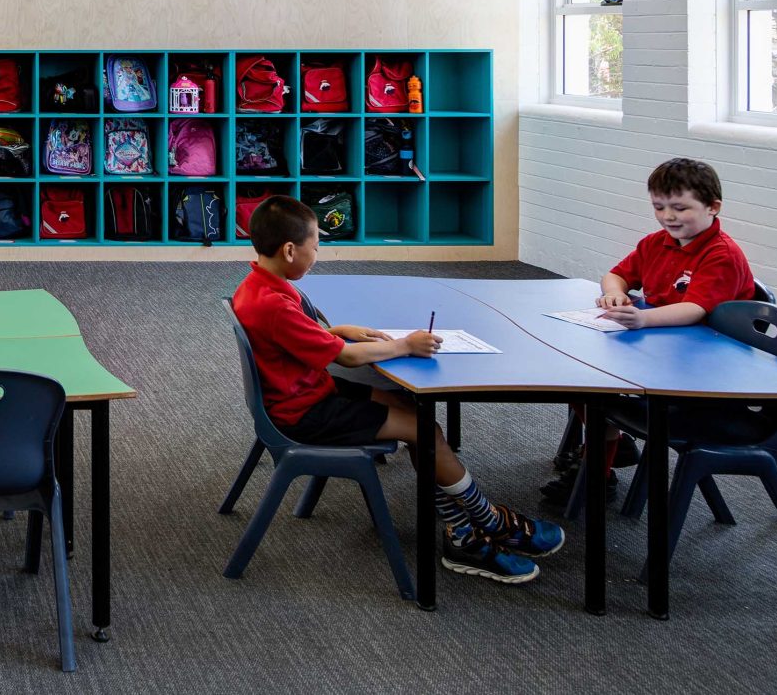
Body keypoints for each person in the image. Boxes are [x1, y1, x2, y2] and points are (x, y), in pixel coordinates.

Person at [233, 195, 563, 584]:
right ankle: (485, 521)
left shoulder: (259, 286)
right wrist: (406, 344)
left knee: (412, 408)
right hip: (305, 413)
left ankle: (462, 530)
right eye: (316, 247)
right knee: (424, 429)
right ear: (290, 250)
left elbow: (301, 336)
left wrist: (337, 329)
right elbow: (349, 359)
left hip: (303, 393)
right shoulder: (274, 304)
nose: (317, 254)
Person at [542, 157, 759, 504]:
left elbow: (696, 309)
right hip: (661, 352)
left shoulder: (722, 255)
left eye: (679, 208)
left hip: (704, 373)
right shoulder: (656, 243)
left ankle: (598, 471)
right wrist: (614, 292)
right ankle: (612, 443)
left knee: (595, 391)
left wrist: (642, 319)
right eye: (659, 207)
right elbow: (617, 274)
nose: (668, 216)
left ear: (713, 207)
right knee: (576, 374)